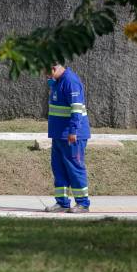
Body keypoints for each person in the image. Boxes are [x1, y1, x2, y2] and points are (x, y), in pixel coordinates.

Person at [45, 63, 91, 213]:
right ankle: (62, 202)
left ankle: (83, 203)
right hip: (58, 135)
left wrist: (73, 131)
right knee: (59, 168)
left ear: (54, 67)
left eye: (45, 71)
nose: (43, 75)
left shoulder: (71, 81)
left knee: (74, 168)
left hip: (71, 136)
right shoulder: (57, 82)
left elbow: (76, 108)